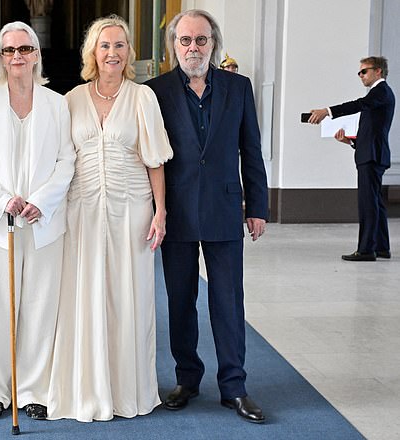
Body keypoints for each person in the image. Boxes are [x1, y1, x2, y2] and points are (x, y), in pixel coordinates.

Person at [47, 15, 173, 422]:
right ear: (92, 53)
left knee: (127, 296)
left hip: (131, 210)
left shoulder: (142, 98)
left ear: (128, 53)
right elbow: (60, 161)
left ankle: (128, 390)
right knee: (83, 296)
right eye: (105, 46)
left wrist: (160, 212)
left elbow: (155, 161)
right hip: (81, 210)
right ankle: (86, 388)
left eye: (120, 46)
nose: (112, 53)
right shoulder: (71, 99)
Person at [145, 9, 268, 423]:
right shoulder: (155, 91)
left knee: (228, 302)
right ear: (174, 46)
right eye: (185, 40)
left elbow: (251, 149)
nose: (193, 47)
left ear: (213, 43)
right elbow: (148, 158)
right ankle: (187, 379)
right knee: (180, 301)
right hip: (176, 212)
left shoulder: (238, 87)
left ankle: (234, 387)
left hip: (224, 208)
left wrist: (259, 207)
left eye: (201, 40)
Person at [0, 21, 75, 421]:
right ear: (0, 57)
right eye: (9, 51)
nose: (17, 57)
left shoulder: (57, 103)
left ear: (36, 54)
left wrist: (41, 202)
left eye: (24, 49)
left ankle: (33, 390)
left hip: (43, 223)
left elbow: (67, 159)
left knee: (40, 306)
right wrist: (1, 200)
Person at [308, 56, 394, 261]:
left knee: (368, 204)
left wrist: (327, 112)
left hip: (372, 156)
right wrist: (350, 142)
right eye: (359, 72)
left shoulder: (380, 91)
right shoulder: (379, 95)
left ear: (378, 71)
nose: (361, 76)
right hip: (372, 153)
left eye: (364, 71)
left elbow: (358, 104)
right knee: (375, 203)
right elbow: (371, 132)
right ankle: (381, 247)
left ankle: (366, 250)